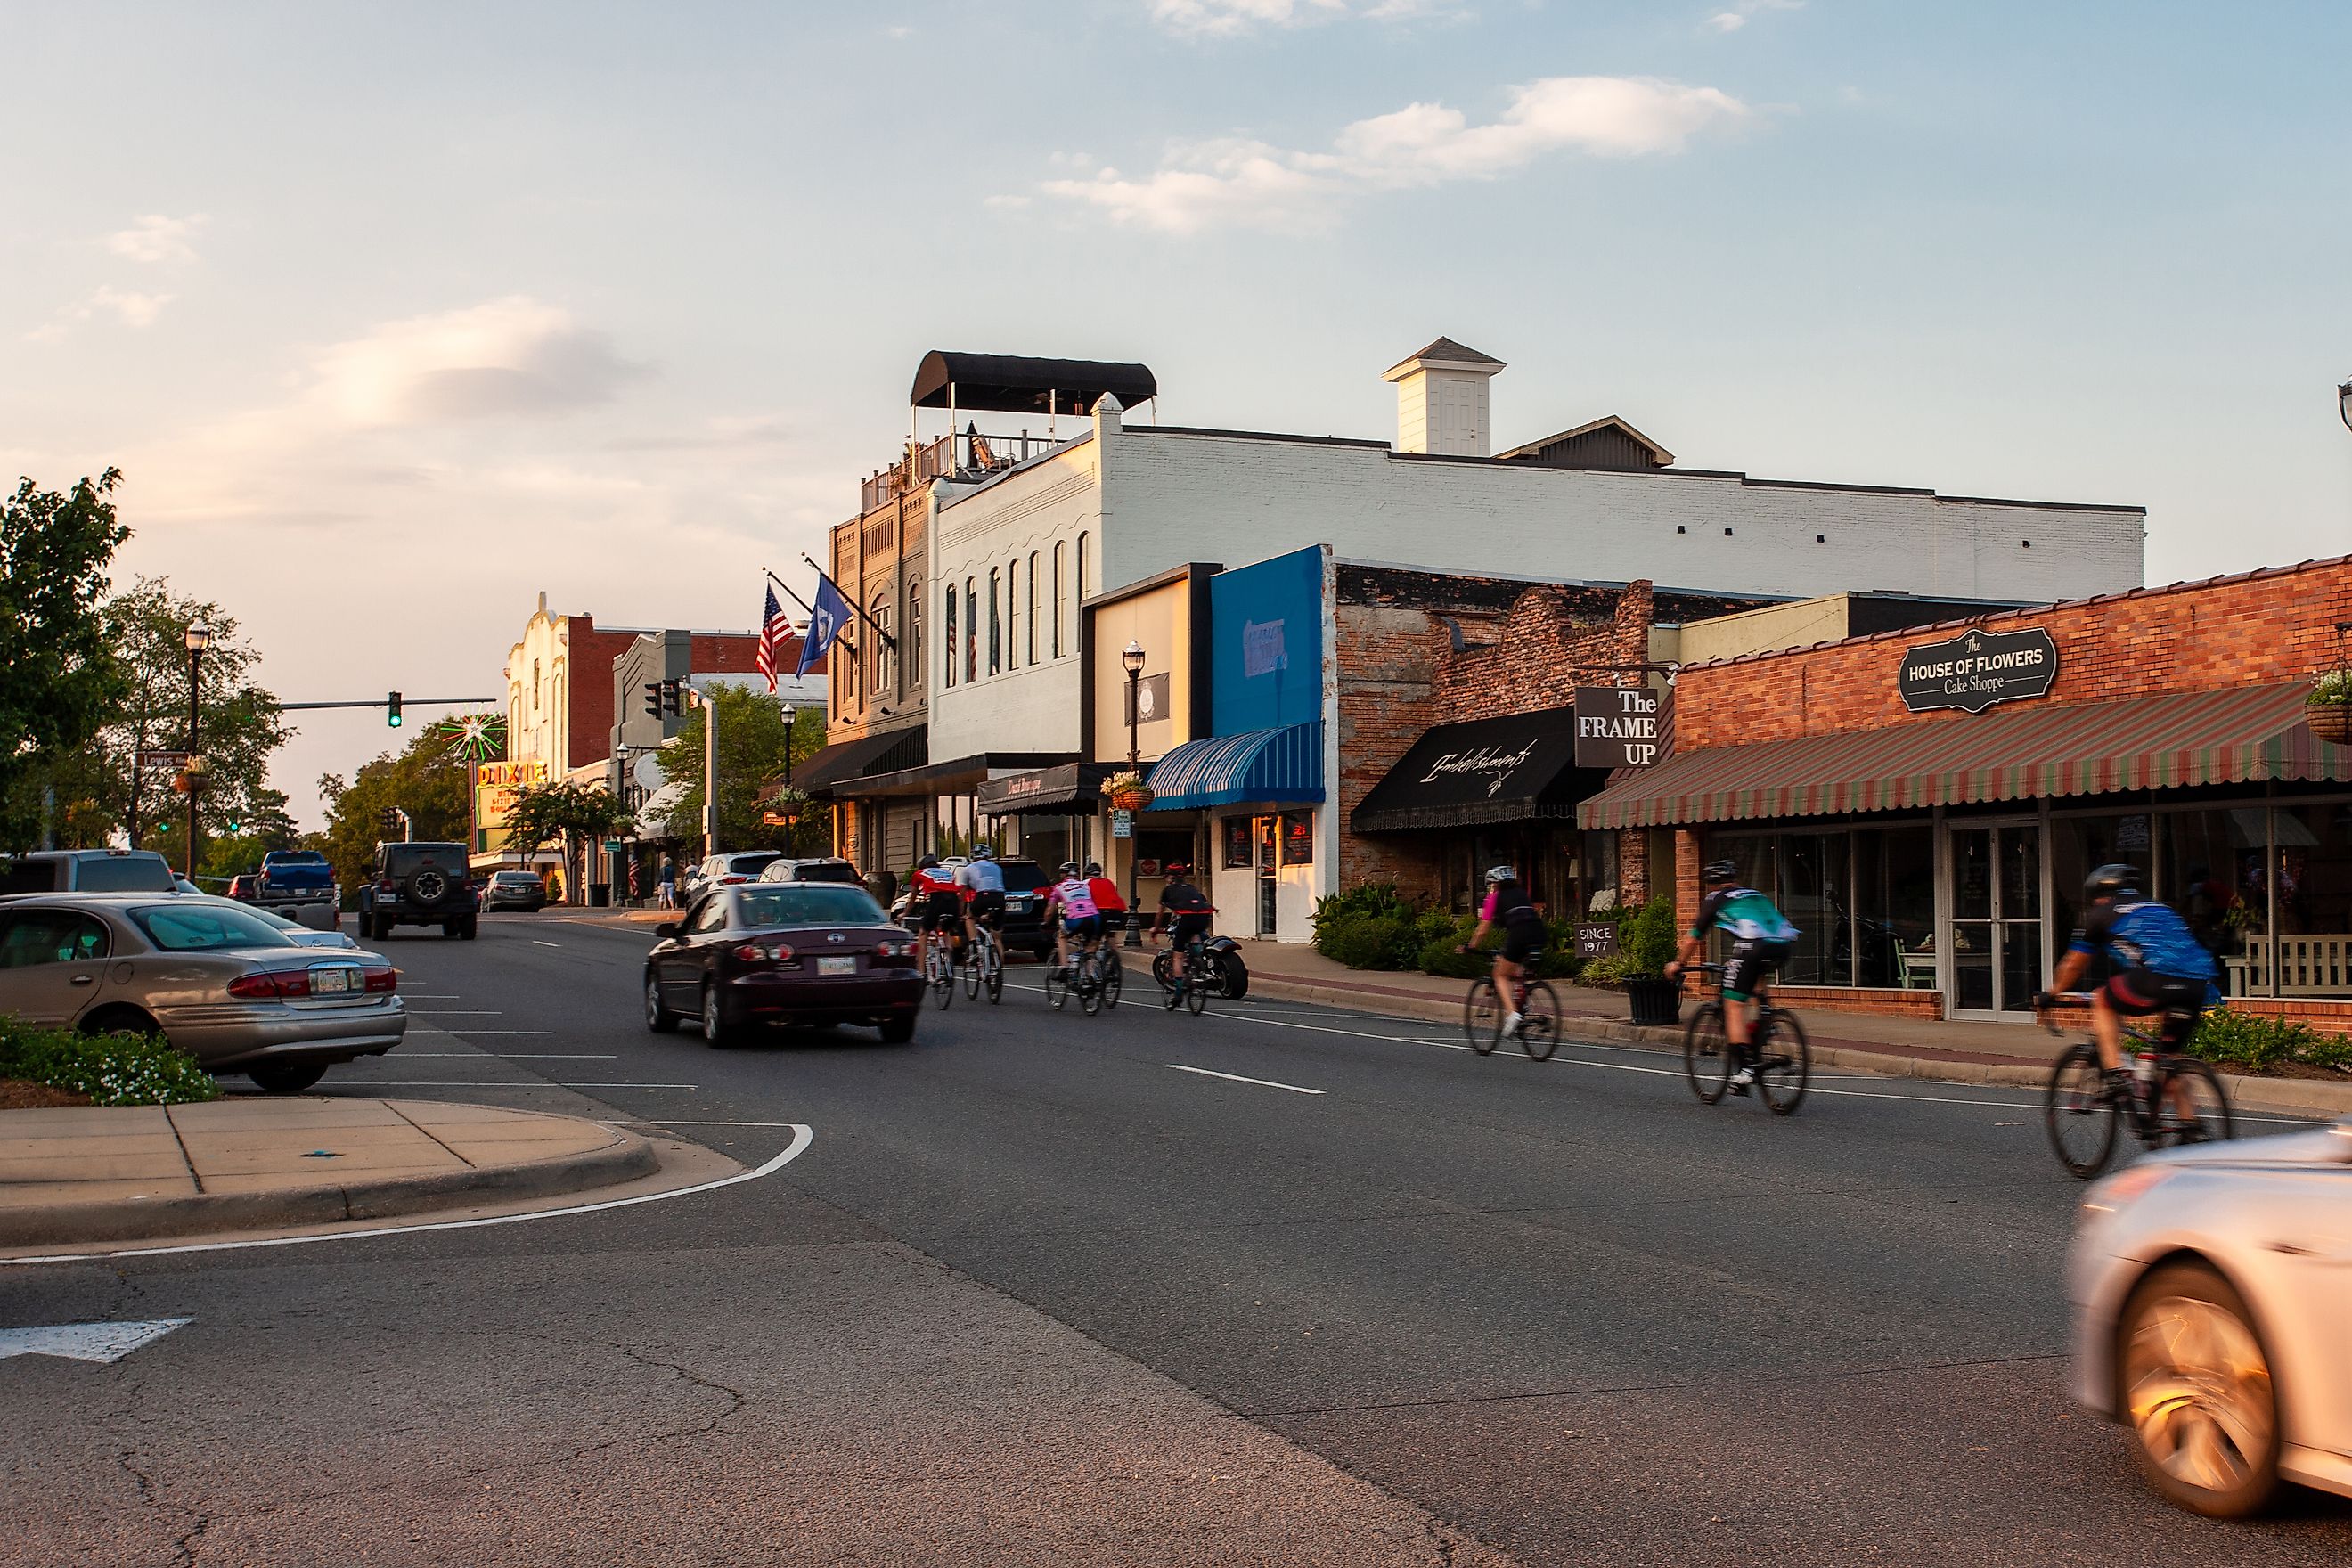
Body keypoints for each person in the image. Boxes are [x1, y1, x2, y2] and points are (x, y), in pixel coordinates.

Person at [2040, 864, 2220, 1079]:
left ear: (2100, 895)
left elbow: (2074, 965)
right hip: (2197, 985)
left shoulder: (2102, 913)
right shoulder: (2162, 908)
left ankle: (2115, 1074)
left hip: (2155, 978)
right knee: (2170, 1062)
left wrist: (2052, 993)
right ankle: (2186, 1113)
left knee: (2102, 999)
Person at [1666, 861, 1799, 1093]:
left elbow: (1693, 939)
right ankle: (1766, 1022)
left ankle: (1746, 1069)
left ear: (1710, 885)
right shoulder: (1754, 893)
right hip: (1783, 944)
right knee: (1756, 984)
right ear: (1734, 879)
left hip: (1753, 947)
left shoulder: (1715, 898)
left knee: (1733, 1006)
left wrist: (1678, 964)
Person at [1458, 866, 1549, 1037]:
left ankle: (1513, 1015)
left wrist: (1471, 946)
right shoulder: (1522, 894)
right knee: (1514, 966)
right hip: (1539, 932)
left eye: (1491, 885)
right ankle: (1523, 1000)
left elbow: (1483, 930)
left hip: (1519, 935)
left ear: (1495, 884)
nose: (1490, 888)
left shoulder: (1494, 897)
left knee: (1500, 975)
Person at [1155, 868, 1214, 1005]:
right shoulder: (1191, 888)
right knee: (1195, 935)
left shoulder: (1168, 890)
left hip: (1186, 919)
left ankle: (1179, 991)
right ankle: (1199, 961)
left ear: (1170, 878)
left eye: (1166, 877)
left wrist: (1155, 929)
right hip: (1202, 918)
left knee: (1178, 956)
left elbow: (1159, 913)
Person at [1042, 860, 1101, 978]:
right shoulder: (1085, 885)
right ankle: (1090, 978)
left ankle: (1064, 967)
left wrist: (1045, 923)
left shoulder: (1059, 887)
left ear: (1064, 874)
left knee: (1062, 936)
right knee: (1088, 948)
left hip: (1077, 918)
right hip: (1094, 917)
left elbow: (1049, 911)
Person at [911, 853, 963, 968]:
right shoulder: (949, 874)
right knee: (946, 930)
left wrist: (906, 912)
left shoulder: (919, 873)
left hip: (936, 900)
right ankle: (949, 958)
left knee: (923, 932)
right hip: (953, 901)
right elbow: (958, 894)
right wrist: (960, 913)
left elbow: (913, 895)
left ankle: (920, 970)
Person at [954, 843, 1007, 953]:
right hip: (1000, 897)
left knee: (970, 917)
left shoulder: (968, 868)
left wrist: (960, 913)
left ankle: (973, 943)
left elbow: (962, 894)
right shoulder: (997, 867)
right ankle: (999, 967)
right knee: (997, 938)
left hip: (983, 895)